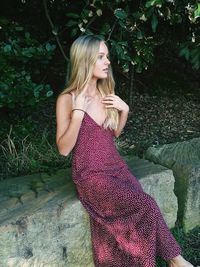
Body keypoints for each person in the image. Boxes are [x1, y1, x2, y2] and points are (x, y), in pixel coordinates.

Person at [56, 35, 193, 267]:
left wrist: (125, 111)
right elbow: (63, 149)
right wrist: (78, 112)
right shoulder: (67, 99)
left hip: (117, 168)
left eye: (107, 56)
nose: (107, 61)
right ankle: (176, 261)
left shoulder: (105, 93)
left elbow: (112, 135)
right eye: (101, 57)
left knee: (140, 208)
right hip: (91, 176)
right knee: (146, 204)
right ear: (84, 60)